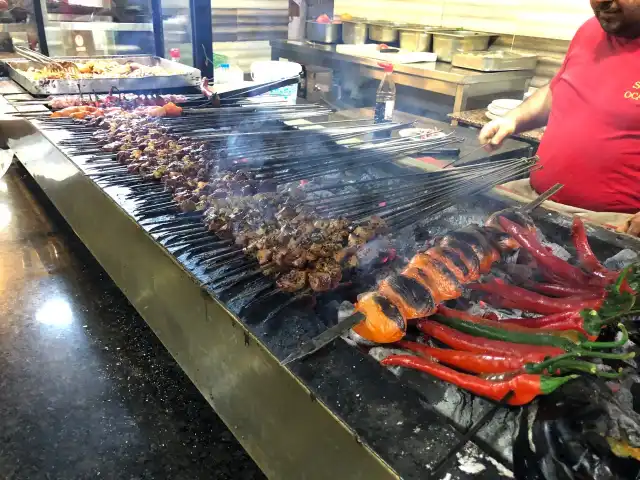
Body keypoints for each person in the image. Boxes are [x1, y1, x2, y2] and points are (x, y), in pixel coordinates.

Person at [479, 0, 640, 236]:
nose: (604, 2)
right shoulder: (590, 30)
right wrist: (514, 119)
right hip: (536, 199)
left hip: (611, 223)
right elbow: (560, 87)